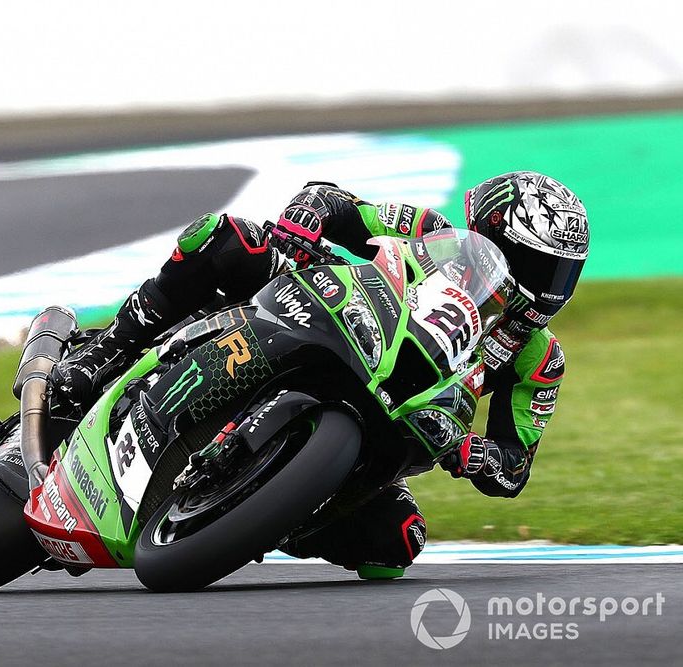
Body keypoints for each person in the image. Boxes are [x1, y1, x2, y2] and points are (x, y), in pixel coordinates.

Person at [50, 172, 589, 579]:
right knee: (229, 238)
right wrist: (305, 220)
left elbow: (514, 466)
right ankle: (106, 352)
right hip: (331, 318)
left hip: (396, 425)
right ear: (492, 234)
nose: (549, 288)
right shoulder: (430, 231)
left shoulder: (537, 358)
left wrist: (475, 455)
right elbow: (336, 203)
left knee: (398, 542)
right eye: (539, 267)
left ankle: (267, 516)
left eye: (563, 273)